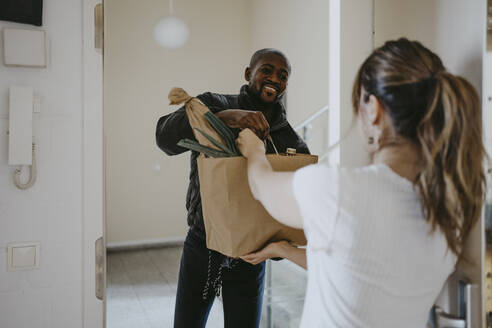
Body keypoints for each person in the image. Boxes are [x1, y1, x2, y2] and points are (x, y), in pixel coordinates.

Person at [237, 38, 486, 327]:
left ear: (374, 109)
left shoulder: (337, 190)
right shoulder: (448, 209)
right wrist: (282, 250)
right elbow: (356, 271)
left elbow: (260, 184)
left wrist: (254, 150)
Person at [155, 48, 309, 328]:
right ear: (248, 73)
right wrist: (227, 117)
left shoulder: (291, 142)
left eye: (282, 75)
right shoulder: (212, 104)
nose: (274, 78)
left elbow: (293, 205)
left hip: (251, 259)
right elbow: (164, 137)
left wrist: (275, 247)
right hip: (203, 246)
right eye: (266, 70)